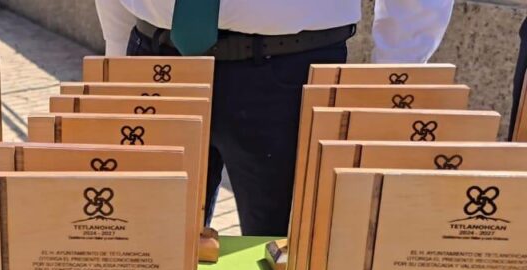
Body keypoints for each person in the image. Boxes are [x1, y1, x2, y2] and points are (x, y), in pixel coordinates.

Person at [95, 0, 454, 236]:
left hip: (291, 69)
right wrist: (116, 61)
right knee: (143, 243)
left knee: (284, 260)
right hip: (153, 58)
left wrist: (392, 82)